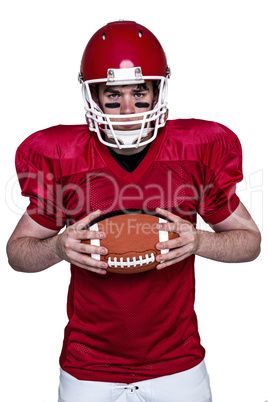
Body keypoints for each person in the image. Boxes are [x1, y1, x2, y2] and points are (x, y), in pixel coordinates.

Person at [6, 20, 261, 402]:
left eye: (139, 93)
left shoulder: (193, 154)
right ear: (93, 96)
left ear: (158, 90)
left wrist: (200, 241)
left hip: (177, 363)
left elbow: (251, 242)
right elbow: (16, 253)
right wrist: (58, 248)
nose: (127, 109)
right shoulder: (64, 158)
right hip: (88, 364)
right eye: (113, 95)